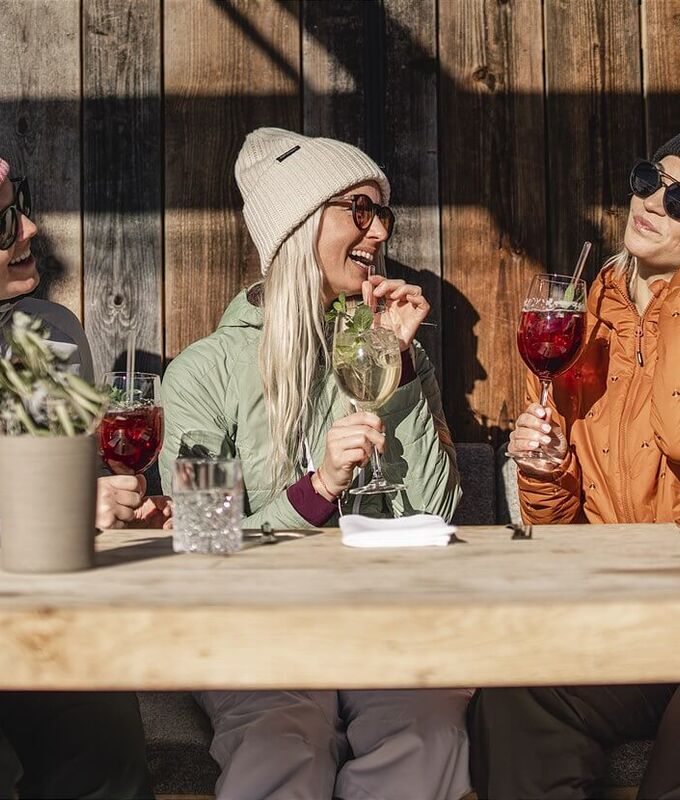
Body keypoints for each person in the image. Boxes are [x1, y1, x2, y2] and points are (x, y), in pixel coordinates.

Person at [160, 128, 470, 800]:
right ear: (298, 227)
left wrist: (400, 369)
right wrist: (318, 488)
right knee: (282, 744)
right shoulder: (202, 374)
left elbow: (436, 514)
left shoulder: (378, 348)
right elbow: (204, 541)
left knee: (430, 736)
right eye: (359, 209)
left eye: (382, 214)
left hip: (382, 619)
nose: (379, 231)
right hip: (257, 627)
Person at [468, 135, 680, 799]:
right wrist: (543, 471)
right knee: (517, 691)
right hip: (626, 609)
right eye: (650, 178)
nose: (653, 201)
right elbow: (557, 528)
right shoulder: (589, 316)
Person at [0, 156, 155, 798]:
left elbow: (52, 468)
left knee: (100, 729)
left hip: (32, 617)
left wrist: (95, 498)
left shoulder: (42, 333)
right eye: (5, 219)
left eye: (20, 205)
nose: (31, 228)